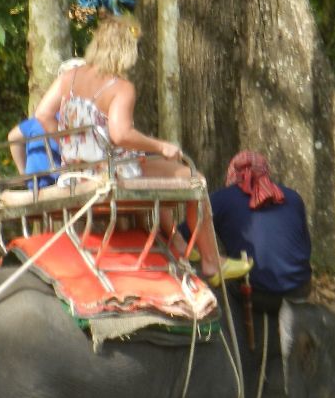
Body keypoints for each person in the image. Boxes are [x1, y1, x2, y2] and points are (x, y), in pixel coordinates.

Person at [20, 14, 251, 286]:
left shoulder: (69, 76)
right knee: (192, 178)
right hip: (113, 174)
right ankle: (213, 263)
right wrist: (160, 146)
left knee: (150, 169)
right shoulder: (121, 87)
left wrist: (70, 147)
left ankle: (176, 243)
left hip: (76, 173)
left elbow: (42, 114)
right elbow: (120, 134)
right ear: (127, 49)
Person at [209, 151, 312, 301]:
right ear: (266, 171)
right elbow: (305, 248)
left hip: (255, 293)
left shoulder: (221, 199)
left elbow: (186, 236)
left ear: (232, 171)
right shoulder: (293, 197)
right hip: (299, 288)